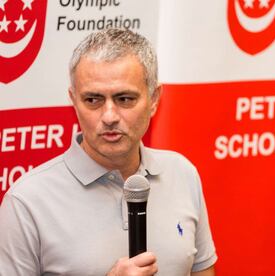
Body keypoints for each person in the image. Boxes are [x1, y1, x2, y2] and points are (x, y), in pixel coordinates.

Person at [0, 28, 217, 276]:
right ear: (74, 100)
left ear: (154, 98)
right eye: (93, 100)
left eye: (124, 99)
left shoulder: (183, 174)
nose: (110, 116)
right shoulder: (27, 202)